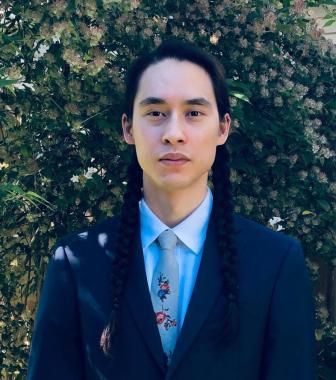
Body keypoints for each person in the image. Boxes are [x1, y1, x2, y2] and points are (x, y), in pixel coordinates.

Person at [27, 39, 316, 380]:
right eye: (155, 113)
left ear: (223, 128)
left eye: (194, 113)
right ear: (128, 128)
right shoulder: (76, 261)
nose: (173, 133)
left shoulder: (276, 262)